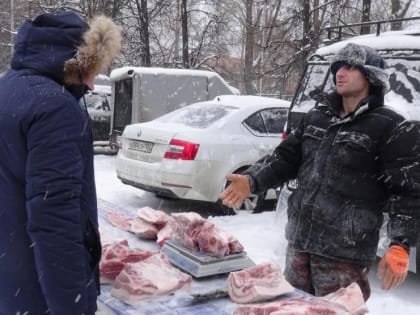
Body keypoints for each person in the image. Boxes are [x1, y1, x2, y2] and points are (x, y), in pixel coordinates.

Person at [220, 43, 420, 301]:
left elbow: (408, 192)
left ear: (371, 76)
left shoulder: (390, 126)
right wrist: (253, 179)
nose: (340, 72)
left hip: (344, 254)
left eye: (350, 67)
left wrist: (400, 245)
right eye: (337, 67)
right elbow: (285, 158)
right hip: (299, 245)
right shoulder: (317, 116)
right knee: (292, 307)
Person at [0, 11, 121, 314]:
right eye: (92, 69)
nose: (93, 85)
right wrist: (73, 306)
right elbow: (54, 221)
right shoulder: (55, 109)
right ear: (76, 64)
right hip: (35, 291)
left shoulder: (6, 90)